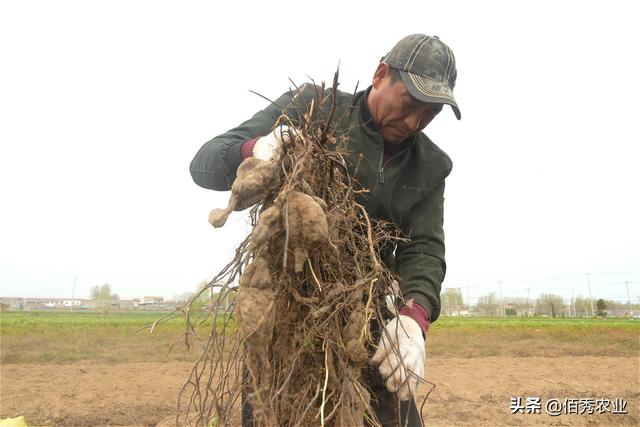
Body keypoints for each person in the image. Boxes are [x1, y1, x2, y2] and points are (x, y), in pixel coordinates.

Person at [190, 34, 461, 427]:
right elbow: (204, 163)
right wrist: (256, 151)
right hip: (287, 314)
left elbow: (425, 249)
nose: (415, 122)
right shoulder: (314, 108)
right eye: (411, 105)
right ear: (381, 74)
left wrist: (413, 316)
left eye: (430, 113)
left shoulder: (431, 165)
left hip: (365, 321)